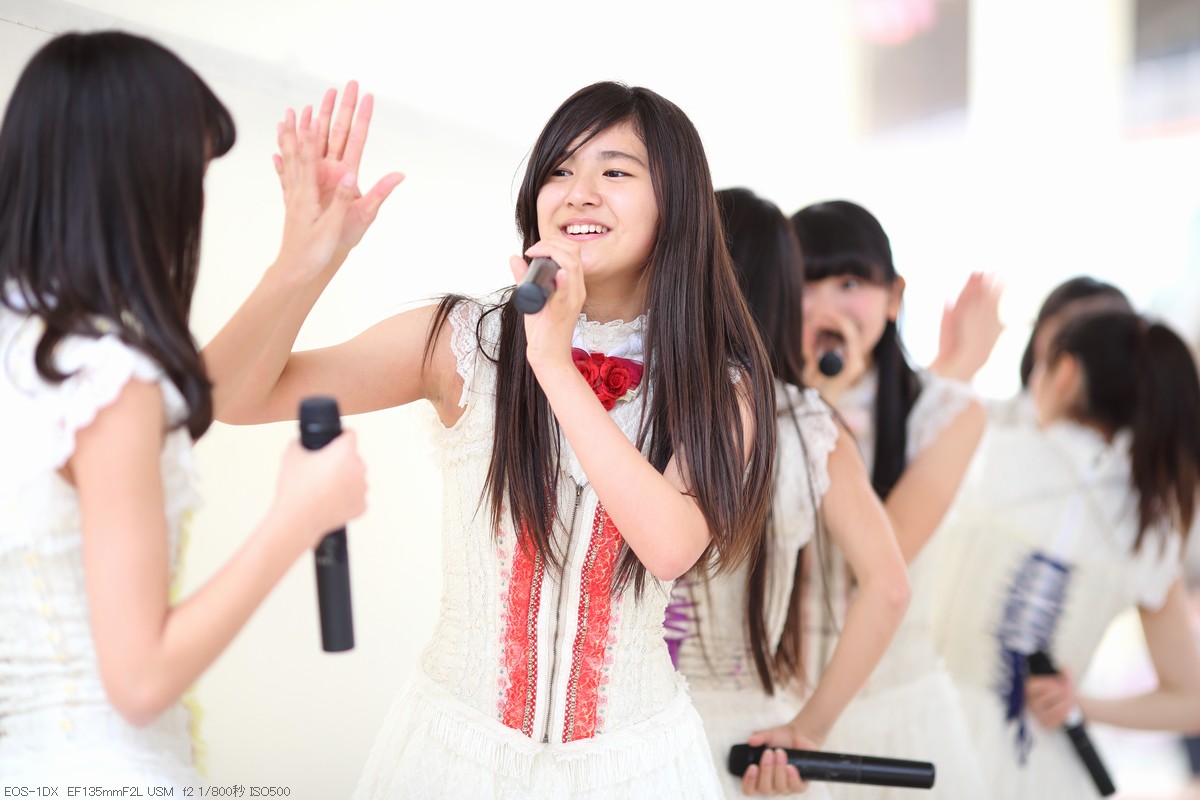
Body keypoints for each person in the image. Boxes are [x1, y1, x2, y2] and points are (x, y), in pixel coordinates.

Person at [213, 81, 778, 799]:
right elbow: (234, 397)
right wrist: (303, 260)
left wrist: (553, 362)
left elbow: (669, 546)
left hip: (636, 768)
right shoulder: (464, 340)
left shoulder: (718, 384)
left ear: (679, 203)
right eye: (559, 170)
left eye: (615, 171)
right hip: (457, 760)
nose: (578, 193)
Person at [0, 32, 373, 788]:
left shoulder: (31, 344)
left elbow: (179, 412)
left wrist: (298, 265)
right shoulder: (110, 379)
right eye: (190, 178)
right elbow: (140, 682)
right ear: (136, 182)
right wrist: (298, 516)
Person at [668, 187, 909, 798]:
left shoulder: (639, 399)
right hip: (751, 740)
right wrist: (809, 729)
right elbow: (889, 588)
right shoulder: (809, 425)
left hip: (627, 736)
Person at [932, 308, 1200, 798]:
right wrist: (1081, 705)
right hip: (1046, 771)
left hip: (929, 743)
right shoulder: (1149, 524)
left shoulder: (983, 449)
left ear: (1066, 372)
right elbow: (1191, 701)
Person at [790, 199, 988, 798]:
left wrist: (821, 408)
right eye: (805, 284)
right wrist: (809, 399)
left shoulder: (947, 412)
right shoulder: (759, 405)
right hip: (779, 708)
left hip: (898, 717)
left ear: (894, 296)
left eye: (850, 284)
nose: (826, 306)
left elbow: (887, 554)